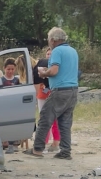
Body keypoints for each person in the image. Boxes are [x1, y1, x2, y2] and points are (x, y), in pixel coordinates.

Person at [24, 27, 79, 159]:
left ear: (53, 40)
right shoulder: (73, 51)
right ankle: (66, 152)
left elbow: (54, 71)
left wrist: (44, 73)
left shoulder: (57, 51)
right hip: (73, 90)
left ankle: (37, 149)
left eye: (49, 39)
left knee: (45, 117)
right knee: (65, 122)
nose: (48, 42)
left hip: (60, 90)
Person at [33, 47, 60, 153]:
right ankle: (44, 141)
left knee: (55, 119)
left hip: (52, 94)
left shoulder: (56, 68)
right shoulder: (41, 66)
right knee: (43, 118)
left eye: (51, 54)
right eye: (48, 54)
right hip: (42, 95)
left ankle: (56, 142)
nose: (49, 56)